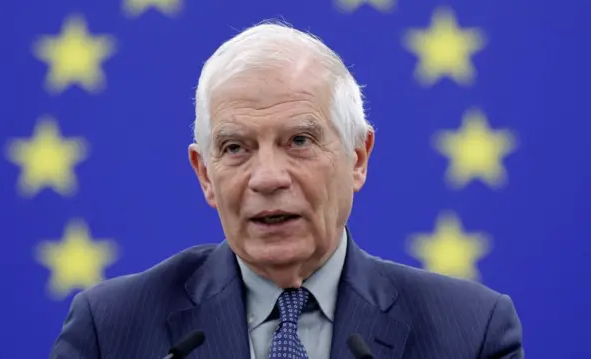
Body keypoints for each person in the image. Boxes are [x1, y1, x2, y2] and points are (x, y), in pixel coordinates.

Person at [49, 21, 523, 359]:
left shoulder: (470, 334)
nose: (268, 177)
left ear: (358, 158)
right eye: (236, 147)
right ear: (205, 175)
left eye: (299, 141)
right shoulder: (109, 331)